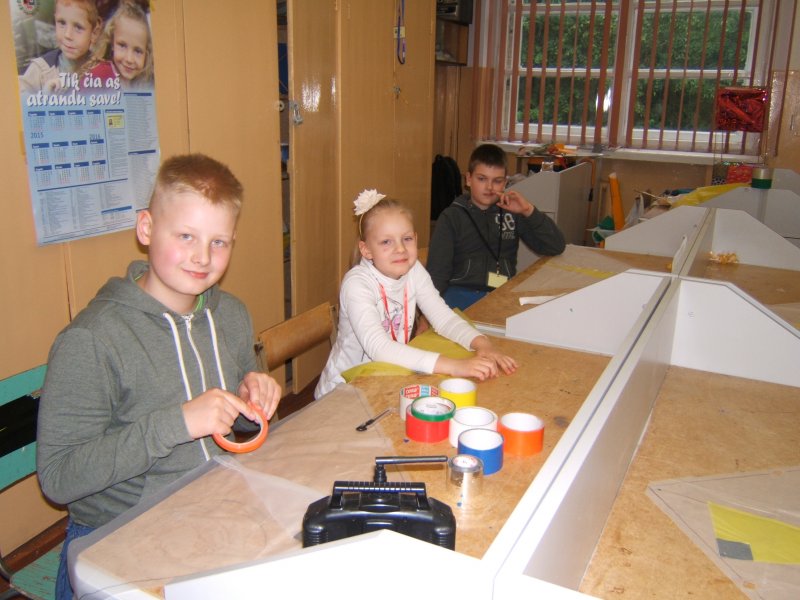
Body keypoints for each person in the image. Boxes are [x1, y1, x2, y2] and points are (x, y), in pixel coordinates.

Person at [36, 154, 282, 600]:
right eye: (186, 236)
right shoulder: (92, 339)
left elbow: (243, 418)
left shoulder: (230, 314)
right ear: (146, 229)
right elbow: (59, 477)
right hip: (116, 536)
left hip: (214, 508)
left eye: (219, 242)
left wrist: (252, 394)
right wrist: (178, 423)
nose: (202, 257)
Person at [315, 189, 517, 399]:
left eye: (407, 238)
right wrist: (454, 366)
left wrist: (482, 344)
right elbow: (379, 348)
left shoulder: (413, 270)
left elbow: (443, 318)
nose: (400, 249)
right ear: (366, 250)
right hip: (343, 392)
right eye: (386, 242)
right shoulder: (356, 284)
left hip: (385, 378)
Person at [427, 143, 566, 310]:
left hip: (501, 293)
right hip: (459, 293)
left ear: (505, 183)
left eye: (497, 181)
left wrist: (528, 210)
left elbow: (555, 246)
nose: (489, 187)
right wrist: (428, 314)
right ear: (468, 179)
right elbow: (437, 274)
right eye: (482, 179)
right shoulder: (452, 217)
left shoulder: (512, 212)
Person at [18, 0, 103, 94]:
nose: (67, 35)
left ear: (95, 32)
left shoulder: (104, 69)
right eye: (62, 23)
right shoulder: (40, 71)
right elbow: (17, 99)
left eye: (78, 27)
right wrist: (44, 98)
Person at [82, 0, 153, 89]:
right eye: (122, 46)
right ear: (112, 43)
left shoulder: (143, 84)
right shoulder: (100, 75)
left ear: (146, 54)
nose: (129, 59)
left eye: (138, 51)